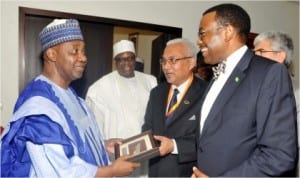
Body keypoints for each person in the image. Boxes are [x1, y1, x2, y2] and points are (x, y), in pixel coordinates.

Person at [0, 19, 140, 177]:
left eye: (83, 51)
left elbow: (74, 141)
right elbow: (59, 172)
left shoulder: (71, 95)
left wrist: (102, 145)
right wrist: (111, 171)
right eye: (75, 51)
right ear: (52, 54)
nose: (84, 58)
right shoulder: (39, 109)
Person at [192, 3, 298, 177]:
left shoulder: (269, 73)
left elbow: (279, 155)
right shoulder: (216, 75)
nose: (198, 41)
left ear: (227, 32)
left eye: (202, 33)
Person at [85, 39, 157, 177]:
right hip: (116, 157)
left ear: (135, 59)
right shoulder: (99, 88)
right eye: (121, 60)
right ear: (115, 61)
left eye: (130, 58)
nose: (126, 64)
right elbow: (94, 130)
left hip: (146, 154)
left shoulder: (150, 81)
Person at [142, 38, 208, 177]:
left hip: (187, 173)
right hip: (156, 172)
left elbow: (208, 141)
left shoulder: (206, 93)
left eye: (172, 60)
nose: (166, 66)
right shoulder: (157, 93)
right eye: (164, 61)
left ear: (191, 62)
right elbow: (147, 127)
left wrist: (174, 145)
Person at [253, 30, 300, 176]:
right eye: (254, 52)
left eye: (261, 51)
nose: (255, 57)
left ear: (280, 56)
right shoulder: (252, 86)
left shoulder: (297, 91)